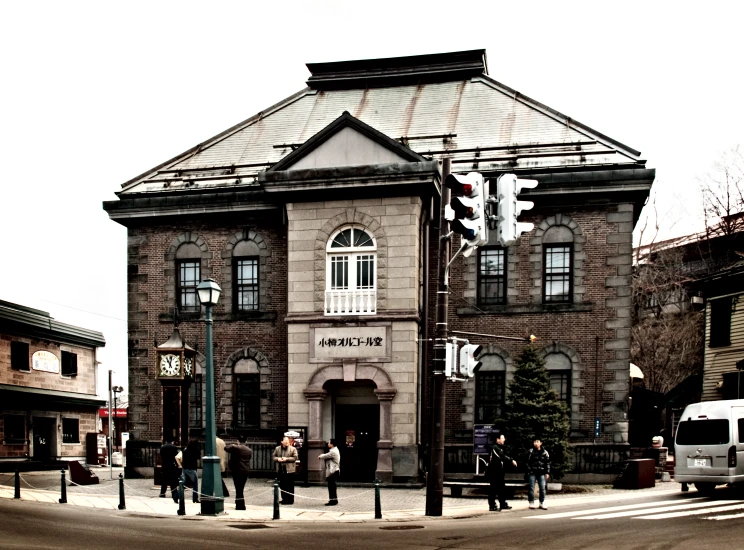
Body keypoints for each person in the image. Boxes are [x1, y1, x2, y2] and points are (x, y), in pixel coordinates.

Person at [485, 433, 517, 512]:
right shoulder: (495, 447)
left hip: (500, 471)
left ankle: (503, 504)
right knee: (493, 489)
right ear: (498, 439)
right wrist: (511, 460)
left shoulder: (501, 447)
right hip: (494, 471)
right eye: (502, 438)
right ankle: (492, 505)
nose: (504, 440)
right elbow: (502, 456)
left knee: (502, 488)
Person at [225, 435, 253, 510]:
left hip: (237, 470)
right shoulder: (249, 450)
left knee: (238, 488)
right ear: (246, 441)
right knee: (240, 488)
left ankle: (240, 505)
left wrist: (234, 445)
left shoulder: (236, 448)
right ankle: (239, 504)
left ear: (238, 441)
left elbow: (226, 448)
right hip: (245, 471)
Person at [525, 437, 550, 510]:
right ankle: (531, 502)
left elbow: (547, 463)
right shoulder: (530, 452)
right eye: (535, 442)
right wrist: (529, 470)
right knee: (531, 487)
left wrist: (547, 472)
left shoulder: (545, 452)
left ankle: (541, 502)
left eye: (537, 441)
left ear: (541, 443)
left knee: (542, 488)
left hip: (541, 472)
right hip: (532, 472)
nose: (536, 443)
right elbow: (526, 462)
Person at [177, 432, 202, 504]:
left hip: (184, 468)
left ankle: (176, 496)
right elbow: (198, 458)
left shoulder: (185, 449)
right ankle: (195, 498)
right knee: (195, 483)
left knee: (183, 483)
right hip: (192, 468)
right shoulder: (196, 450)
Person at [273, 436, 298, 505]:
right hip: (281, 469)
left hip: (290, 470)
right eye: (286, 441)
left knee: (290, 485)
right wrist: (278, 459)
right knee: (282, 485)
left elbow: (295, 457)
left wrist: (286, 459)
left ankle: (290, 500)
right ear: (282, 442)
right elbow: (273, 457)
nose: (287, 442)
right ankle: (284, 499)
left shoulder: (293, 449)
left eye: (288, 441)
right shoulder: (277, 448)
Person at [318, 438, 340, 506]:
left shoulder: (333, 451)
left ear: (332, 444)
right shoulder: (334, 450)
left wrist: (320, 456)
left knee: (331, 486)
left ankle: (332, 501)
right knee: (332, 486)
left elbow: (325, 455)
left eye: (329, 443)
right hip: (334, 470)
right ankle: (334, 500)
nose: (328, 444)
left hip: (333, 471)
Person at [159, 438, 180, 502]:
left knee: (164, 480)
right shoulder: (174, 447)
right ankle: (174, 493)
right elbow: (176, 456)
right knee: (173, 480)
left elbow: (161, 455)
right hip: (172, 465)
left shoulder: (162, 447)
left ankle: (162, 493)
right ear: (172, 441)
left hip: (165, 465)